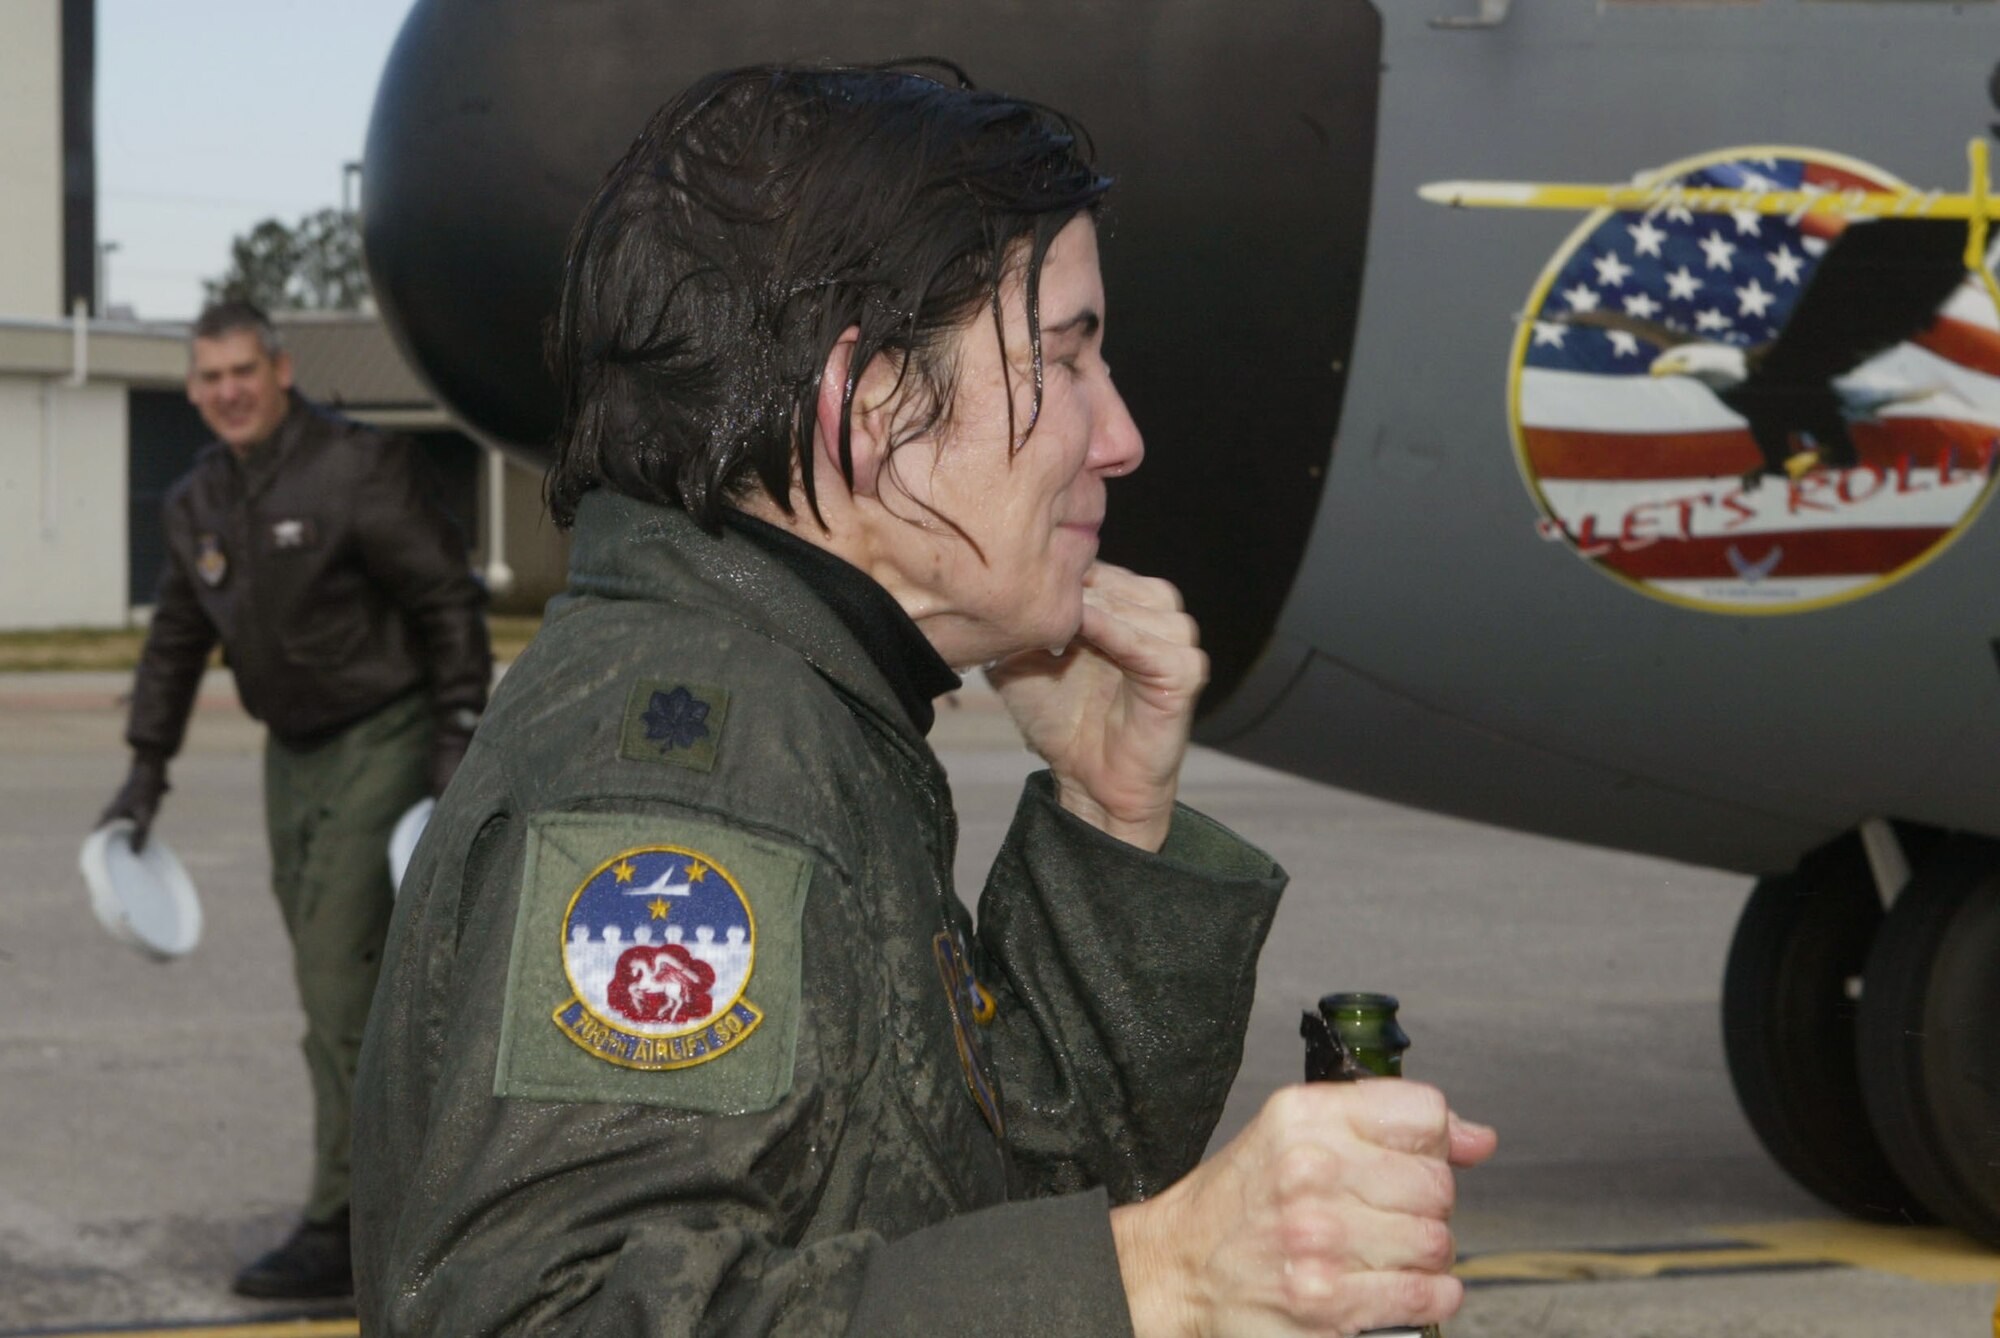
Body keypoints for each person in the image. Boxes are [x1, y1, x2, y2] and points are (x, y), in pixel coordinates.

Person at [352, 65, 1496, 1336]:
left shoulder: (809, 707)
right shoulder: (693, 778)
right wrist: (1163, 1272)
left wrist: (1109, 826)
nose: (1118, 437)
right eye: (1064, 359)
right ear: (874, 403)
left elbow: (983, 1210)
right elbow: (545, 1319)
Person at [98, 301, 492, 1300]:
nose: (227, 390)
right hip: (293, 754)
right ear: (191, 389)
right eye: (208, 376)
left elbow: (445, 597)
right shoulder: (196, 502)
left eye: (243, 369)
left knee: (339, 990)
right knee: (337, 994)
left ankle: (353, 1228)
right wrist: (145, 773)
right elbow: (176, 642)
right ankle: (413, 1204)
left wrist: (454, 732)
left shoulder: (356, 467)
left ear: (279, 369)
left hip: (384, 738)